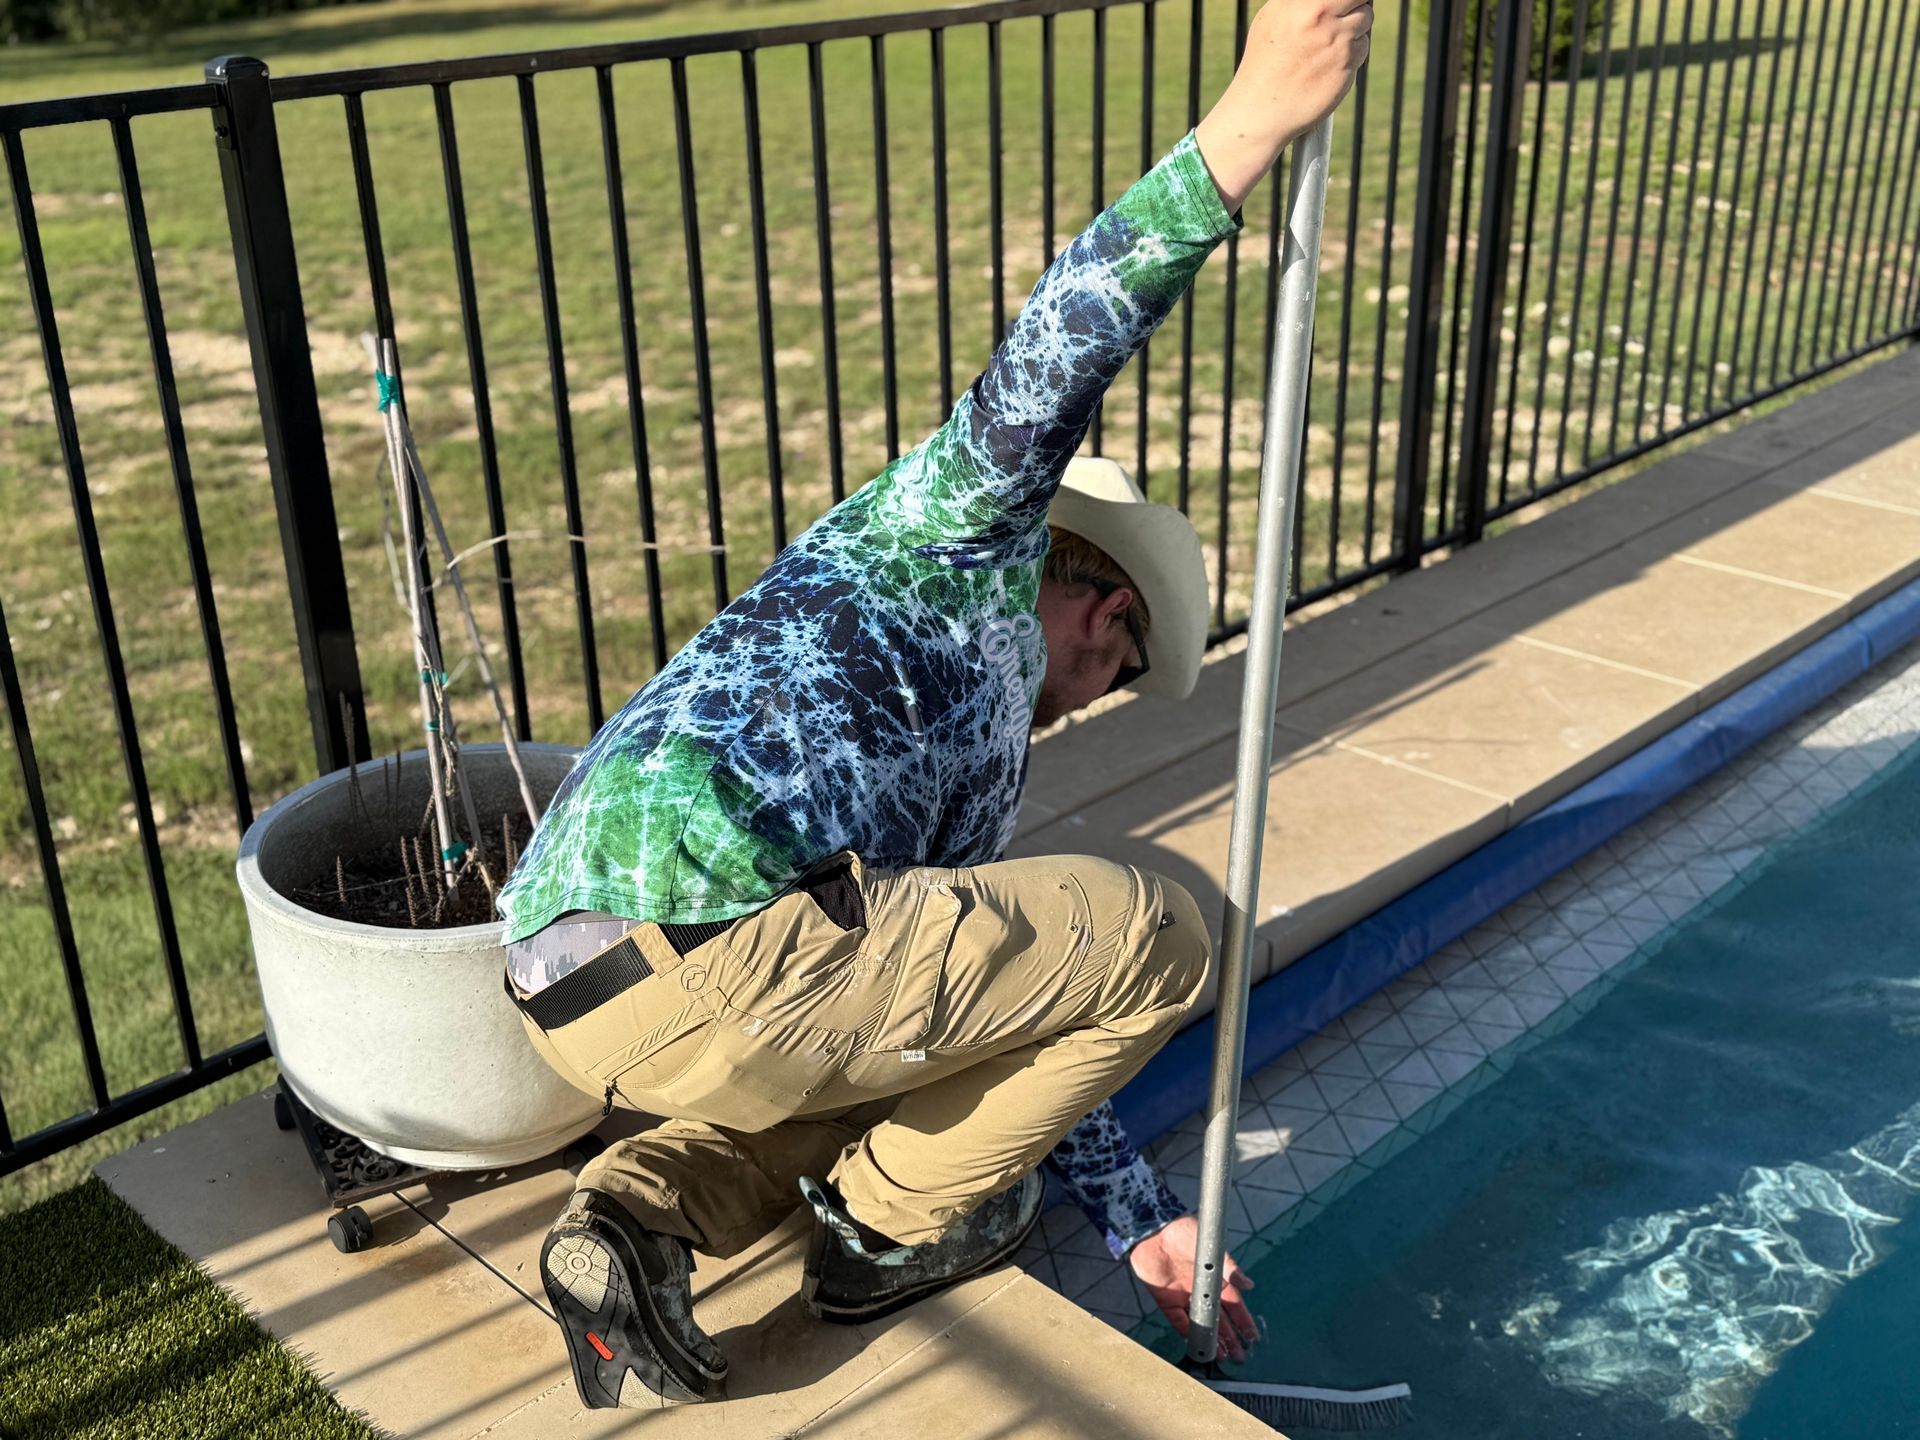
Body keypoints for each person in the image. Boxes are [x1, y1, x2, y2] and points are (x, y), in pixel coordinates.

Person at [496, 0, 1370, 1408]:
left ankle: (631, 1223)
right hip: (718, 947)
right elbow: (1059, 344)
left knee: (892, 1049)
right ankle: (877, 1236)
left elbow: (988, 1016)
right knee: (1166, 932)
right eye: (1119, 675)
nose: (1095, 702)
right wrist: (1248, 125)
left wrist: (1146, 1224)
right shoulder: (960, 535)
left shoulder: (947, 742)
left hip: (569, 977)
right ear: (1109, 614)